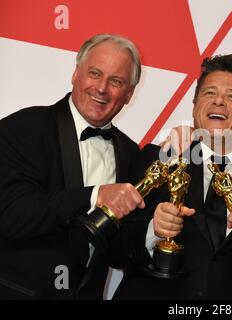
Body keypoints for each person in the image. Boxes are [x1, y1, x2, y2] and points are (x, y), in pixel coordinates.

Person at [110, 54, 232, 299]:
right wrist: (153, 230)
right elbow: (114, 250)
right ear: (195, 105)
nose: (218, 101)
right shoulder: (160, 157)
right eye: (209, 93)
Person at [0, 34, 145, 299]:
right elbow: (11, 214)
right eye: (94, 73)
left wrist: (153, 233)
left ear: (129, 94)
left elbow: (119, 251)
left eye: (116, 81)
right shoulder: (24, 127)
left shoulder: (131, 153)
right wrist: (94, 195)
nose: (102, 88)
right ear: (75, 74)